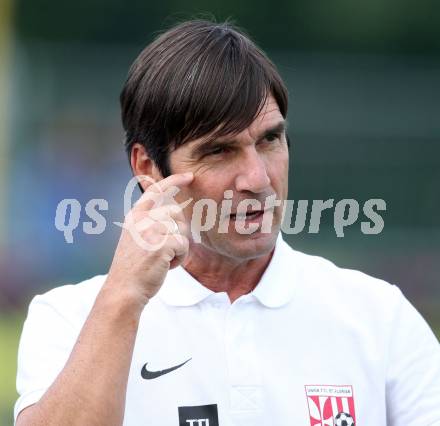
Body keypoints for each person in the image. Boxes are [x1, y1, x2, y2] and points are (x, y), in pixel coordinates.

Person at [14, 19, 440, 426]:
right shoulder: (70, 319)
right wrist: (123, 300)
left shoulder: (380, 319)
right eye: (219, 151)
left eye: (270, 140)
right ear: (148, 168)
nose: (257, 178)